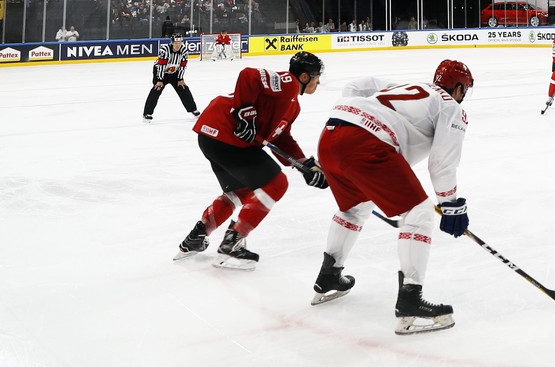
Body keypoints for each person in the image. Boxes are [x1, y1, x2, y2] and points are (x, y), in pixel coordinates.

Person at [310, 60, 474, 335]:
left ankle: (328, 277)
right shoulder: (451, 106)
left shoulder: (411, 86)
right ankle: (410, 302)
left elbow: (358, 84)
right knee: (419, 212)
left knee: (355, 207)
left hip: (331, 133)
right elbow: (442, 164)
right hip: (366, 143)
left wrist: (354, 116)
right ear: (458, 88)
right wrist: (450, 204)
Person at [174, 51, 329, 270]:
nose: (318, 82)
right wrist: (244, 113)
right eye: (316, 77)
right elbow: (249, 76)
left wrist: (304, 164)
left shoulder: (293, 105)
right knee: (277, 183)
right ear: (304, 77)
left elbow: (282, 138)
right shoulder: (288, 84)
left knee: (243, 191)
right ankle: (232, 245)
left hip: (213, 137)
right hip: (226, 134)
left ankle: (197, 237)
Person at [145, 35, 199, 121]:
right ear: (172, 43)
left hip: (174, 71)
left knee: (183, 88)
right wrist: (160, 79)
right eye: (176, 43)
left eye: (180, 42)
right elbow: (161, 66)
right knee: (156, 89)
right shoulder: (164, 50)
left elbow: (183, 65)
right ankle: (147, 113)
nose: (178, 45)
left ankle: (193, 109)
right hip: (161, 72)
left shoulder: (184, 50)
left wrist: (180, 79)